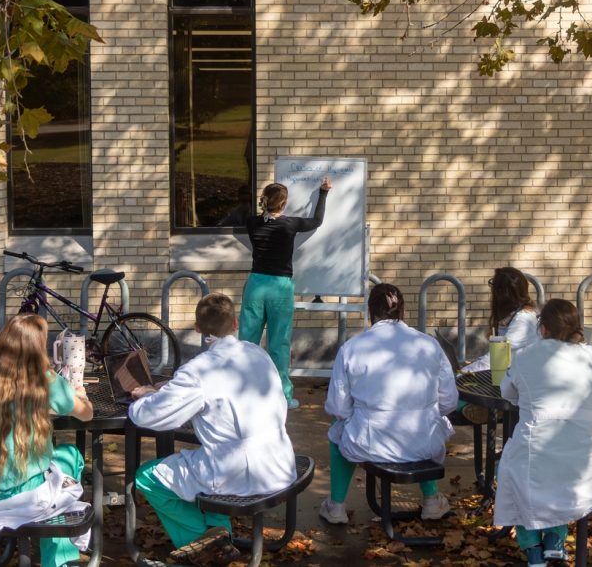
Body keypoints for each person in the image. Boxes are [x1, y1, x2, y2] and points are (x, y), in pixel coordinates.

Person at [130, 293, 296, 566]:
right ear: (234, 324)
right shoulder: (258, 353)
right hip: (279, 460)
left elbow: (152, 417)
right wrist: (171, 389)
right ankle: (220, 536)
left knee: (149, 477)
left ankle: (202, 545)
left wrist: (145, 397)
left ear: (197, 328)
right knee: (199, 475)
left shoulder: (198, 370)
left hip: (237, 468)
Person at [0, 314, 93, 567]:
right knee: (70, 459)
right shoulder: (43, 379)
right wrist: (82, 394)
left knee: (52, 473)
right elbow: (86, 414)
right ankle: (58, 561)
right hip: (25, 498)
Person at [493, 299, 592, 567]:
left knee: (514, 474)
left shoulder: (525, 356)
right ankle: (555, 539)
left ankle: (533, 549)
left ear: (544, 328)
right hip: (587, 459)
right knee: (560, 483)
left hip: (535, 447)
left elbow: (507, 392)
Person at [319, 283, 457, 525]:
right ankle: (432, 501)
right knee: (427, 419)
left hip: (369, 443)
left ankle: (336, 506)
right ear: (402, 311)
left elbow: (338, 408)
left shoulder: (351, 348)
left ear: (371, 312)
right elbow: (449, 402)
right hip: (426, 444)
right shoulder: (428, 344)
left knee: (337, 429)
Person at [240, 177, 331, 409]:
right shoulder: (290, 225)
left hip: (255, 284)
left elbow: (252, 215)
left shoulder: (252, 223)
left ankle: (242, 391)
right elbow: (317, 221)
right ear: (283, 204)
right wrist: (323, 193)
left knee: (247, 340)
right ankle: (283, 396)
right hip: (280, 286)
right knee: (279, 342)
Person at [458, 266, 541, 423]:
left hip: (521, 383)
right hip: (513, 377)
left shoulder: (523, 320)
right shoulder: (515, 314)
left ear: (502, 293)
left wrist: (463, 373)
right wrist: (472, 366)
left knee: (455, 400)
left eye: (493, 285)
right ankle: (490, 410)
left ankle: (494, 410)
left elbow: (498, 357)